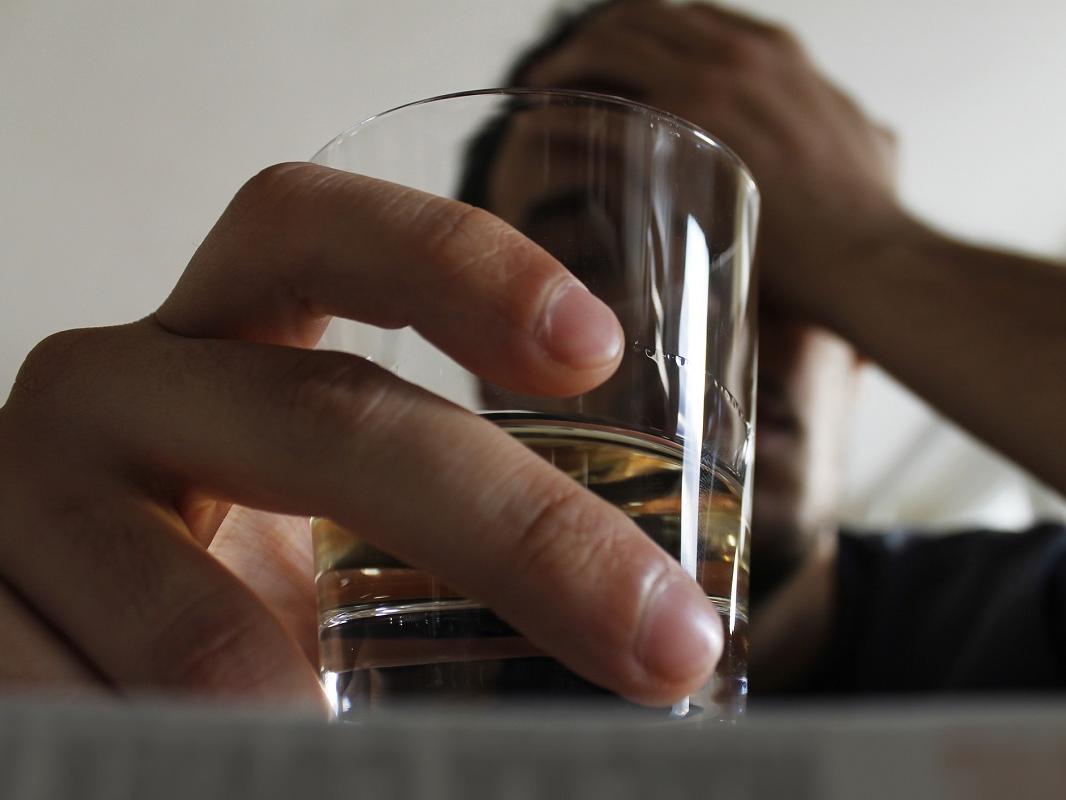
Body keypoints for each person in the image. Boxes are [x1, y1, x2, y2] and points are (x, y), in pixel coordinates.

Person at [0, 0, 1062, 707]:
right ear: (479, 343)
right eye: (587, 256)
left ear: (865, 346)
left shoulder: (1019, 610)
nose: (668, 335)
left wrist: (879, 244)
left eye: (774, 270)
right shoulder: (366, 651)